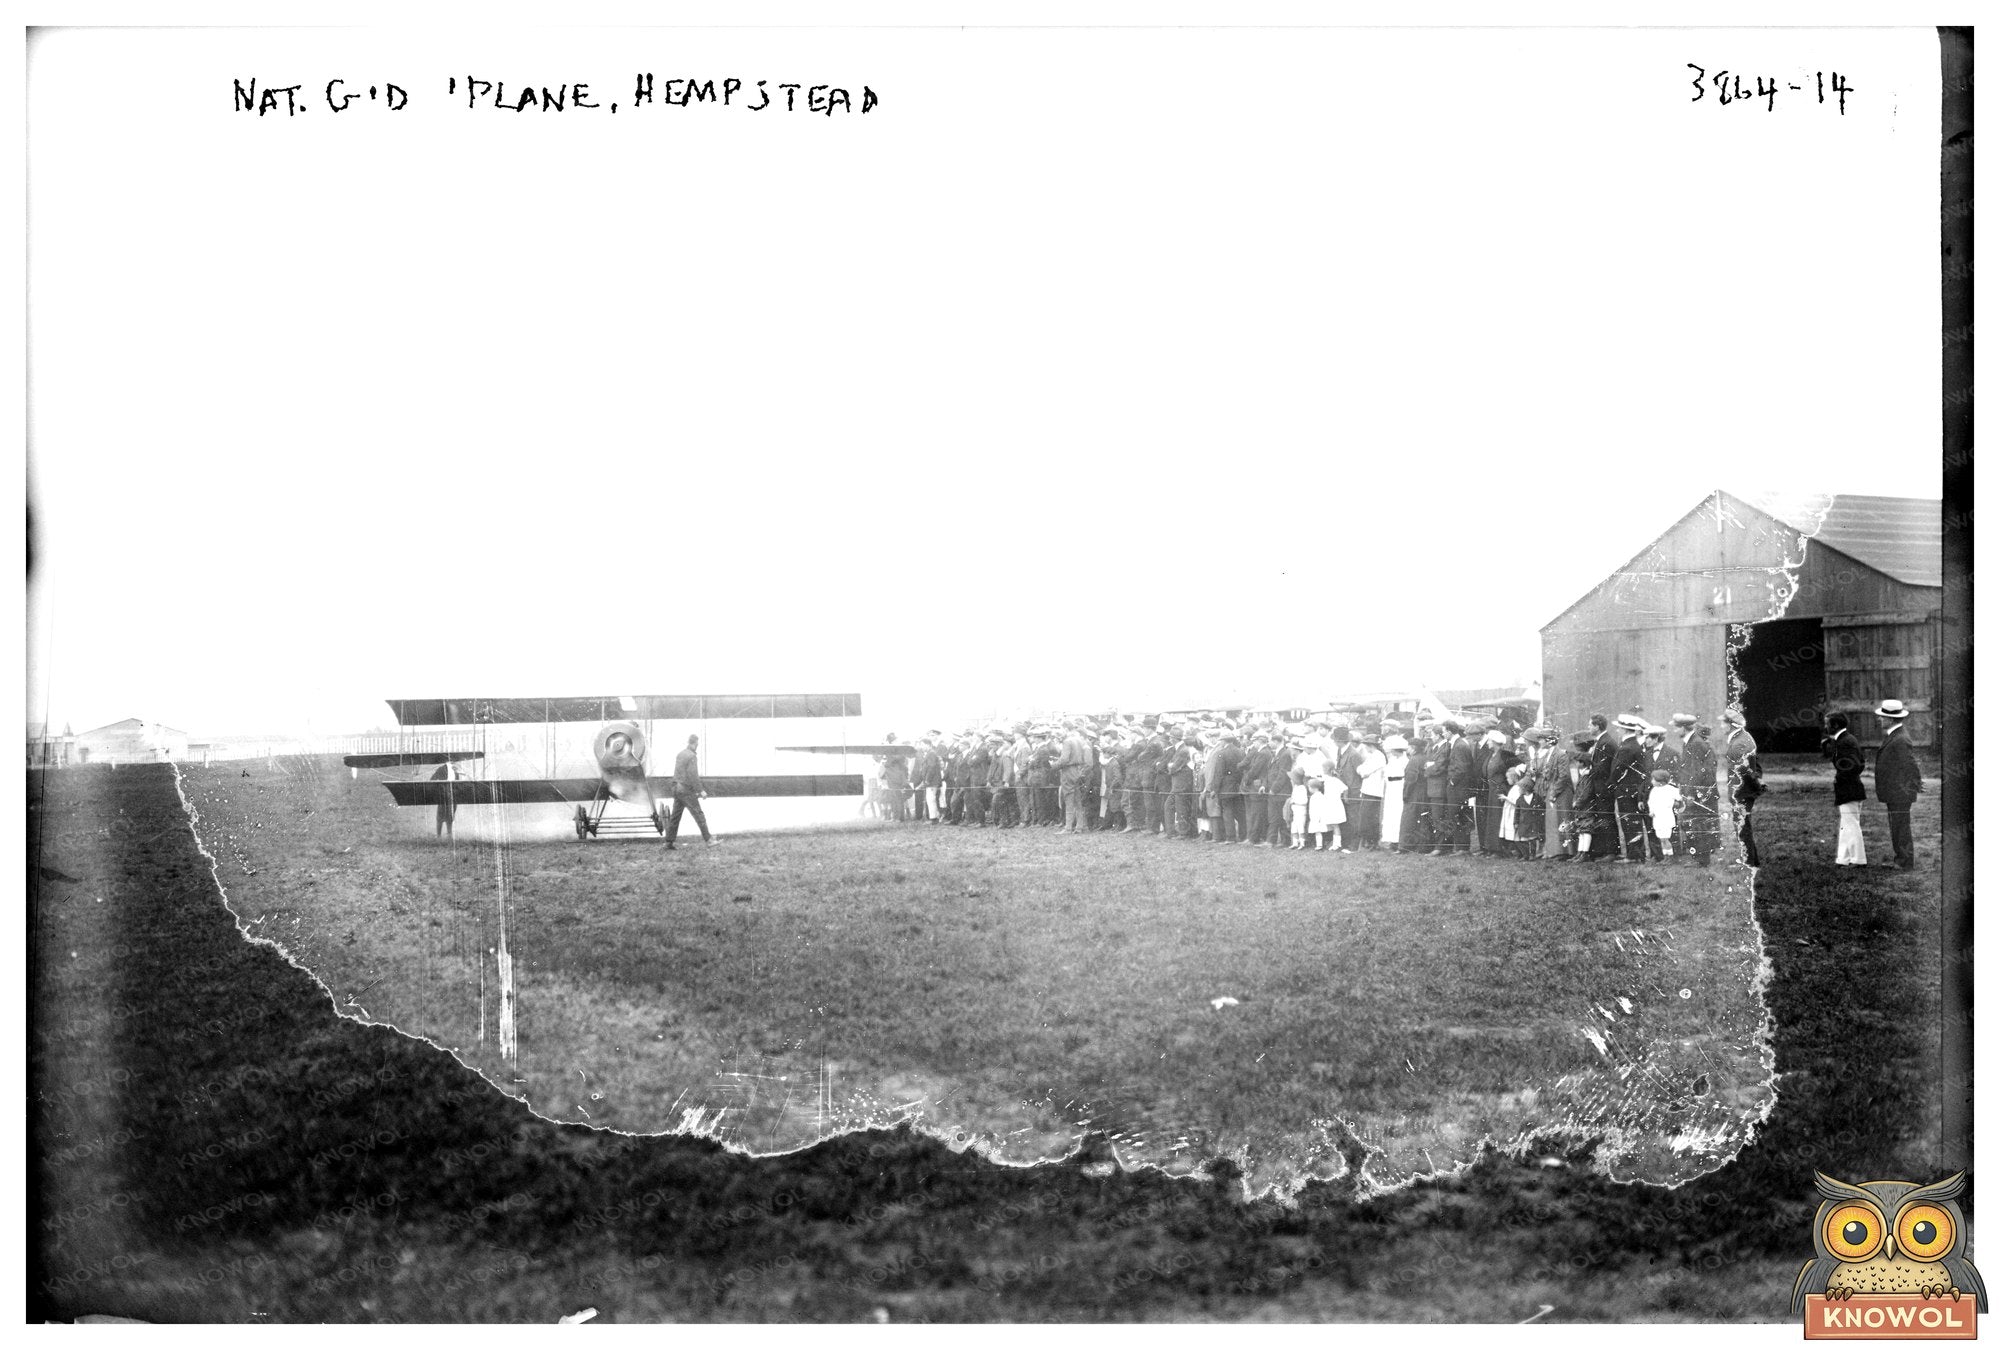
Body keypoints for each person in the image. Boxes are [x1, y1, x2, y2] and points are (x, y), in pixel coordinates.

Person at [1872, 698, 1921, 870]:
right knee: (1897, 825)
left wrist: (1912, 785)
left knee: (1901, 827)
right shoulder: (1895, 736)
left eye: (1882, 717)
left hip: (1899, 792)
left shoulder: (1900, 738)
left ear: (1890, 719)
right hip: (1895, 791)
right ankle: (1900, 858)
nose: (1880, 719)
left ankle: (1905, 861)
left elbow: (1909, 764)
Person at [1823, 711, 1867, 867]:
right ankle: (1844, 858)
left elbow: (1854, 765)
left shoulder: (1845, 741)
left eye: (1827, 723)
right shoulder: (1844, 739)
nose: (1825, 726)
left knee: (1850, 824)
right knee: (1846, 823)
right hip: (1850, 786)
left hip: (1849, 788)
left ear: (1835, 725)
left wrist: (1840, 778)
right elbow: (1860, 763)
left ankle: (1858, 859)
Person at [1720, 709, 1762, 866]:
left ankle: (1748, 861)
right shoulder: (1744, 738)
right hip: (1745, 791)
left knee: (1742, 826)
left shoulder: (1739, 743)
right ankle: (1751, 859)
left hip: (1741, 791)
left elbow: (1744, 770)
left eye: (1723, 723)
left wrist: (1739, 791)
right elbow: (1756, 766)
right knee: (1743, 826)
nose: (1721, 726)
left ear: (1730, 725)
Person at [1676, 717, 1719, 866]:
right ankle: (1698, 857)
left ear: (1683, 728)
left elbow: (1698, 772)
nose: (1675, 730)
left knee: (1698, 823)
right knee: (1694, 823)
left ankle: (1702, 859)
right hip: (1695, 790)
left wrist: (1690, 793)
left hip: (1697, 793)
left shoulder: (1695, 744)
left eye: (1677, 727)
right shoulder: (1692, 742)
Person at [666, 734, 713, 847]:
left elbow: (678, 773)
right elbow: (693, 775)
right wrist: (701, 790)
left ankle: (669, 842)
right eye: (697, 744)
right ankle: (709, 840)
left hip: (676, 788)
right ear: (694, 743)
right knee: (699, 814)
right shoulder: (692, 756)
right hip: (686, 790)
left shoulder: (680, 754)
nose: (697, 746)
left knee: (675, 817)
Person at [1055, 719, 1095, 834]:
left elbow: (1064, 759)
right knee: (1078, 800)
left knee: (1068, 800)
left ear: (1066, 729)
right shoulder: (1080, 740)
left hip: (1068, 771)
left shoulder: (1067, 741)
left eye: (1061, 729)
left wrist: (1052, 766)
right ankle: (1080, 826)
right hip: (1077, 771)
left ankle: (1068, 828)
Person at [1353, 732, 1387, 849]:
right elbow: (1361, 769)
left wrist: (1362, 770)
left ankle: (1373, 841)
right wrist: (1361, 770)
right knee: (1366, 817)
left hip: (1374, 791)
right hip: (1368, 789)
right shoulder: (1372, 756)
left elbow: (1364, 772)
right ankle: (1369, 840)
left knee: (1370, 817)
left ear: (1370, 745)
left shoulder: (1379, 756)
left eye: (1366, 745)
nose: (1364, 748)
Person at [1647, 768, 1683, 862]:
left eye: (1653, 780)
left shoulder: (1670, 789)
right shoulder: (1654, 790)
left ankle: (1670, 857)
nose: (1652, 781)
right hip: (1657, 817)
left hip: (1666, 816)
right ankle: (1665, 856)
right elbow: (1651, 802)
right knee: (1661, 838)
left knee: (1666, 838)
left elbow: (1679, 798)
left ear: (1660, 781)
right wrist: (1652, 811)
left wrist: (1676, 803)